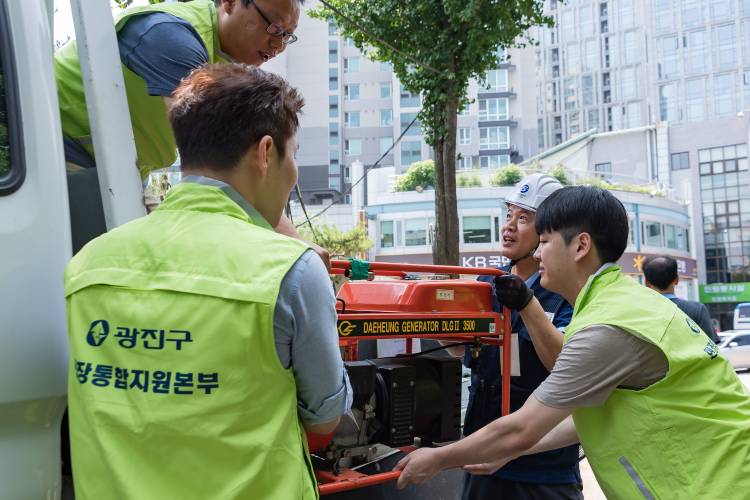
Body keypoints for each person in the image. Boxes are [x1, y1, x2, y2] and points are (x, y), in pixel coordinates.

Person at [64, 64, 351, 499]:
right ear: (266, 153)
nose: (292, 174)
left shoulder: (87, 265)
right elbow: (324, 421)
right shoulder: (291, 270)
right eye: (292, 155)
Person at [395, 186, 750, 499]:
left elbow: (522, 427)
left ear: (580, 245)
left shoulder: (607, 326)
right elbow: (589, 417)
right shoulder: (621, 304)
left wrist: (438, 458)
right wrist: (514, 450)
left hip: (713, 486)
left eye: (545, 242)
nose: (537, 255)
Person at [55, 0, 315, 254]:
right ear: (230, 3)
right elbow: (224, 163)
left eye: (287, 36)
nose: (278, 44)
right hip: (67, 157)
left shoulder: (223, 62)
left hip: (117, 174)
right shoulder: (172, 38)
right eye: (274, 28)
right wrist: (294, 244)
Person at [457, 174, 582, 500]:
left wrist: (528, 305)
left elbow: (564, 364)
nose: (508, 227)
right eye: (509, 215)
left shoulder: (564, 290)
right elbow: (461, 352)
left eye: (523, 218)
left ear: (548, 232)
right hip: (482, 457)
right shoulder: (486, 283)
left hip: (544, 470)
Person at [642, 255, 719, 342]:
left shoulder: (640, 312)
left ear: (647, 283)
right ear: (677, 279)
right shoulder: (698, 310)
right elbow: (712, 348)